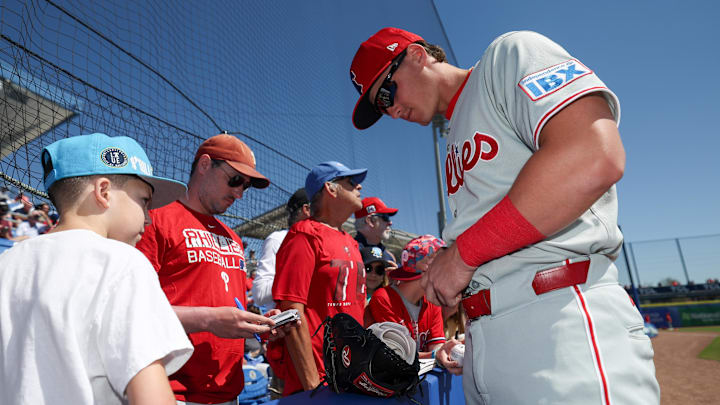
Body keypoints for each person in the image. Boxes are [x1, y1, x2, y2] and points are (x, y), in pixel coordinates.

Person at [349, 27, 659, 403]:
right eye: (381, 109)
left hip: (559, 320)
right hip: (486, 342)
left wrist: (462, 255)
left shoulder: (507, 57)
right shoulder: (453, 139)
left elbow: (594, 154)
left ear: (416, 55)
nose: (391, 110)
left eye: (386, 92)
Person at [0, 133, 194, 404]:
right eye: (144, 201)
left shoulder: (6, 264)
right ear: (103, 192)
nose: (149, 219)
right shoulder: (123, 262)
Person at [136, 134, 291, 405]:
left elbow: (227, 307)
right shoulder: (154, 219)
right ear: (205, 165)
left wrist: (258, 324)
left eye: (246, 186)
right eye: (235, 180)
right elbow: (133, 310)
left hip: (229, 391)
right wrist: (208, 319)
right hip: (172, 391)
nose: (240, 193)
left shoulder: (232, 237)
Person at [271, 161, 367, 396]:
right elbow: (290, 312)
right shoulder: (304, 235)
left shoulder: (351, 242)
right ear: (330, 189)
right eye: (351, 182)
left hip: (353, 376)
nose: (359, 188)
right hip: (320, 382)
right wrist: (313, 387)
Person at [366, 235, 451, 363]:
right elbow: (398, 355)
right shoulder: (384, 298)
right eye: (443, 263)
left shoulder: (433, 303)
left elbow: (436, 346)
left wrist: (450, 351)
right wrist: (435, 355)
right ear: (426, 266)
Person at [252, 188, 311, 310]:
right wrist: (301, 277)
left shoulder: (323, 241)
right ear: (306, 210)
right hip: (286, 324)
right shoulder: (278, 239)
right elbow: (260, 294)